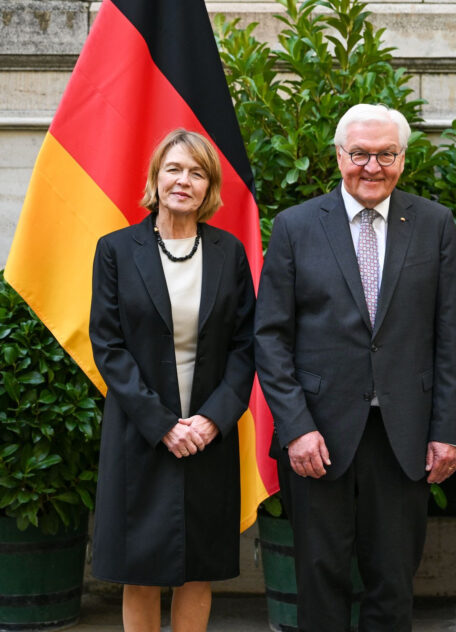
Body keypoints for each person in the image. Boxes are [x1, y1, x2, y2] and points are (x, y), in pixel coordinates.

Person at [254, 103, 456, 631]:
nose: (372, 167)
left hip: (405, 436)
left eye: (386, 155)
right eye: (360, 154)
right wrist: (296, 428)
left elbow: (450, 337)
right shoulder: (296, 226)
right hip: (317, 437)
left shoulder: (434, 224)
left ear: (402, 159)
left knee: (393, 580)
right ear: (338, 156)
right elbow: (271, 337)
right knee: (319, 576)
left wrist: (449, 432)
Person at [89, 129, 256, 632]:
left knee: (197, 569)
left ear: (210, 187)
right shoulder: (116, 250)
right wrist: (163, 424)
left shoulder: (229, 253)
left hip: (207, 437)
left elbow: (246, 347)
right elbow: (108, 346)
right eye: (174, 170)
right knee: (139, 571)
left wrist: (213, 420)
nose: (184, 181)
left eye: (197, 173)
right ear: (155, 178)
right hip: (140, 434)